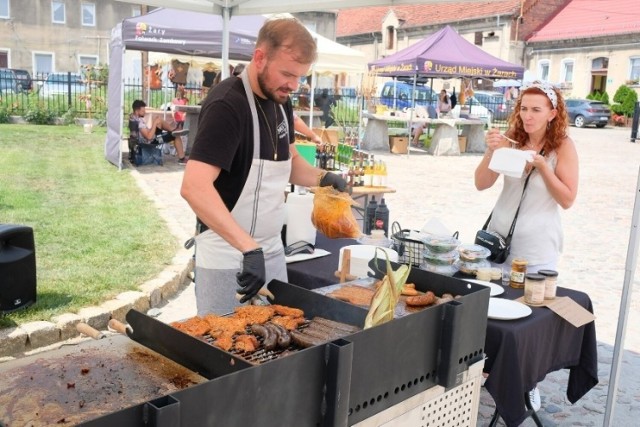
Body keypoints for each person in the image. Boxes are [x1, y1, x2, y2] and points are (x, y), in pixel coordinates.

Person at [180, 17, 349, 316]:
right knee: (226, 349)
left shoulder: (281, 100)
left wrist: (324, 177)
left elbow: (290, 163)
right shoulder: (227, 105)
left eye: (300, 77)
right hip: (227, 254)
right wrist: (247, 247)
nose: (293, 85)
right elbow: (194, 187)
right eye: (287, 73)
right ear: (260, 57)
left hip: (270, 251)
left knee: (277, 345)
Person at [474, 81, 578, 410]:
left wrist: (544, 167)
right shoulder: (511, 143)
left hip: (536, 247)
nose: (528, 116)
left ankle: (527, 383)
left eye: (536, 110)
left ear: (552, 113)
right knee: (492, 311)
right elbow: (481, 184)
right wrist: (491, 151)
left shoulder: (563, 147)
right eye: (524, 108)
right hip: (498, 243)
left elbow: (567, 199)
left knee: (527, 321)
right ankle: (488, 370)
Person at [130, 100, 188, 165]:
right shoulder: (139, 123)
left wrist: (154, 124)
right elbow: (149, 137)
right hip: (152, 141)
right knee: (175, 136)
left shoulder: (133, 117)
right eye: (143, 111)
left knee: (159, 120)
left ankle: (174, 130)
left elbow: (145, 133)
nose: (145, 112)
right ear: (137, 111)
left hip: (147, 139)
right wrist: (154, 123)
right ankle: (182, 159)